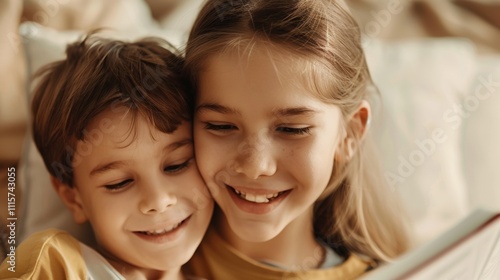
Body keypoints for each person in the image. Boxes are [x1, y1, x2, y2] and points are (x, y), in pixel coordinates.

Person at [182, 0, 412, 279]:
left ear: (349, 134)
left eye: (292, 129)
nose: (255, 166)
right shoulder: (147, 260)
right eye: (220, 126)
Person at [0, 34, 213, 280]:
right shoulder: (55, 264)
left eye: (177, 165)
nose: (158, 199)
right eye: (119, 183)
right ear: (74, 200)